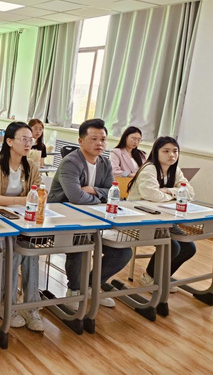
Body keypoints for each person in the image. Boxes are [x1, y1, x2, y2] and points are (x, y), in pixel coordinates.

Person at [47, 118, 132, 309]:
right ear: (80, 141)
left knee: (123, 252)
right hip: (62, 220)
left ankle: (92, 286)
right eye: (94, 139)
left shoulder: (105, 162)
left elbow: (112, 193)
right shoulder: (71, 162)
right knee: (81, 242)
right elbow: (76, 197)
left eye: (103, 139)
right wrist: (100, 197)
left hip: (93, 220)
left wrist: (93, 190)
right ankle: (75, 290)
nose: (99, 143)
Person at [0, 122, 44, 332]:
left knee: (31, 250)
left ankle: (31, 307)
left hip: (24, 223)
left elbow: (39, 195)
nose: (28, 143)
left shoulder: (32, 166)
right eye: (23, 139)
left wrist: (24, 201)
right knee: (13, 250)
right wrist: (22, 200)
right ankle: (6, 305)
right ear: (9, 141)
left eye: (30, 140)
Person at [127, 136, 195, 288]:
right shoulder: (149, 169)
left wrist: (167, 191)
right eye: (166, 151)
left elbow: (190, 193)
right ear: (156, 152)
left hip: (163, 219)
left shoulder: (175, 170)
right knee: (173, 246)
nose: (172, 155)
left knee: (189, 247)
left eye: (175, 151)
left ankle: (162, 277)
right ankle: (149, 277)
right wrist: (175, 193)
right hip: (139, 219)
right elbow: (152, 195)